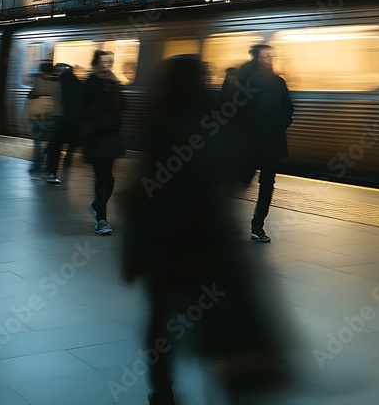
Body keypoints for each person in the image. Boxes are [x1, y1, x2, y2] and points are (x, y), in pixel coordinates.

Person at [122, 56, 292, 405]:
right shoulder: (208, 122)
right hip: (202, 242)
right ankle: (227, 378)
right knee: (213, 313)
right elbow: (236, 170)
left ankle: (162, 388)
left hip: (160, 240)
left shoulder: (158, 120)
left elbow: (144, 181)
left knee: (159, 317)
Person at [237, 44, 294, 242]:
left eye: (271, 56)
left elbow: (288, 108)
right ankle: (222, 217)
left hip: (272, 142)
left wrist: (281, 123)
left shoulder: (279, 82)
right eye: (265, 57)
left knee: (267, 184)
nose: (269, 60)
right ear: (257, 59)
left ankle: (257, 226)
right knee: (241, 179)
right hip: (250, 143)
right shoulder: (247, 82)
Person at [81, 50, 125, 235]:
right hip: (97, 138)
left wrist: (116, 87)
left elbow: (123, 106)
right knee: (102, 178)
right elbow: (85, 108)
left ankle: (97, 206)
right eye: (103, 62)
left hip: (112, 138)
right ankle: (102, 220)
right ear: (95, 64)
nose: (106, 65)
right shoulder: (91, 82)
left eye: (109, 62)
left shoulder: (113, 82)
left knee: (110, 179)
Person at [44, 63, 83, 185]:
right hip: (66, 119)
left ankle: (51, 168)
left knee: (55, 146)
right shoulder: (71, 83)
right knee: (59, 145)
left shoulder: (56, 83)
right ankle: (52, 169)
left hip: (59, 119)